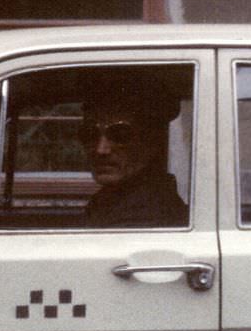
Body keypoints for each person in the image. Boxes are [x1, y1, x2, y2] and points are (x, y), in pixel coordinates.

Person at [78, 87, 188, 229]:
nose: (101, 150)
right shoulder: (111, 200)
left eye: (120, 135)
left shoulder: (144, 214)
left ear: (150, 143)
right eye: (89, 134)